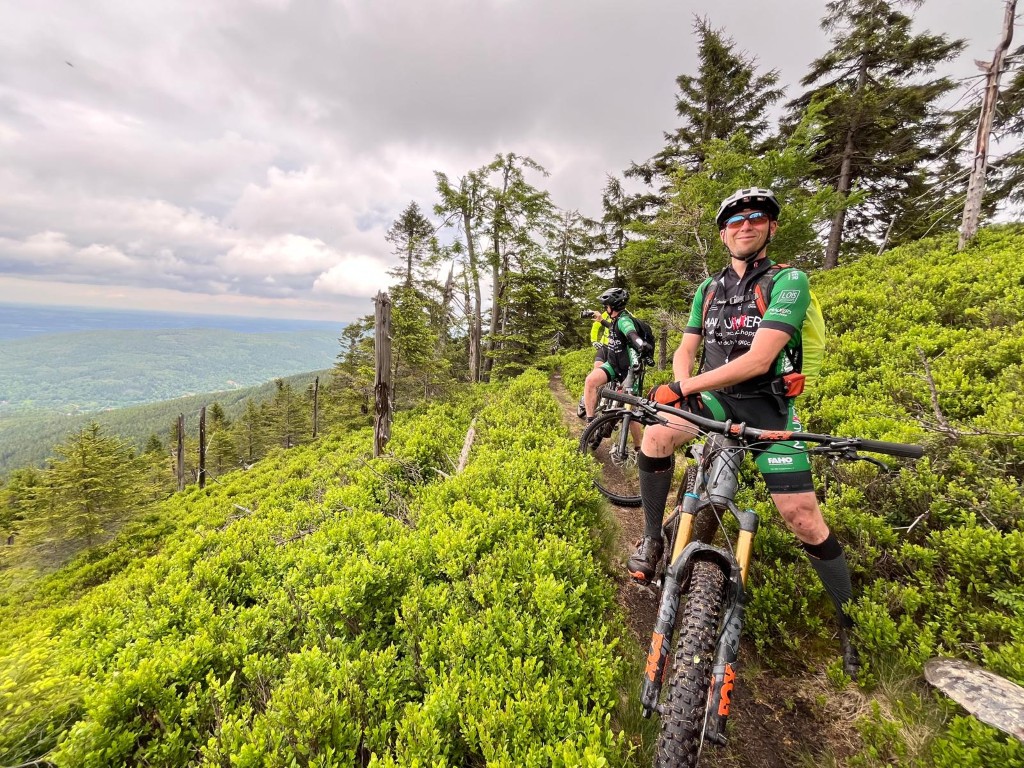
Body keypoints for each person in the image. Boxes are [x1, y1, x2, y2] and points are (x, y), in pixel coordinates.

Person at [628, 187, 860, 675]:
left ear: (771, 227)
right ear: (722, 234)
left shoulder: (788, 280)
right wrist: (681, 382)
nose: (745, 225)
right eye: (735, 221)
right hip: (713, 397)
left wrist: (682, 385)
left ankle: (848, 621)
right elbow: (686, 348)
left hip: (769, 409)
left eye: (757, 218)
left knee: (802, 517)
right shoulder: (709, 289)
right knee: (655, 437)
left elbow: (759, 358)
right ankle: (651, 538)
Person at [581, 288, 652, 445]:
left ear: (612, 306)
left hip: (629, 371)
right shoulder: (615, 320)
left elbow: (630, 333)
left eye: (606, 305)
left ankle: (639, 448)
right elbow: (614, 328)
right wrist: (600, 320)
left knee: (631, 408)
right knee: (590, 381)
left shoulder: (624, 320)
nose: (605, 308)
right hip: (614, 365)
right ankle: (591, 423)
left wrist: (640, 344)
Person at [577, 309, 612, 418]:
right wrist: (593, 341)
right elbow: (596, 327)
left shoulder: (627, 316)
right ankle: (584, 399)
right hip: (604, 347)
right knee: (597, 369)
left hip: (616, 351)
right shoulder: (605, 315)